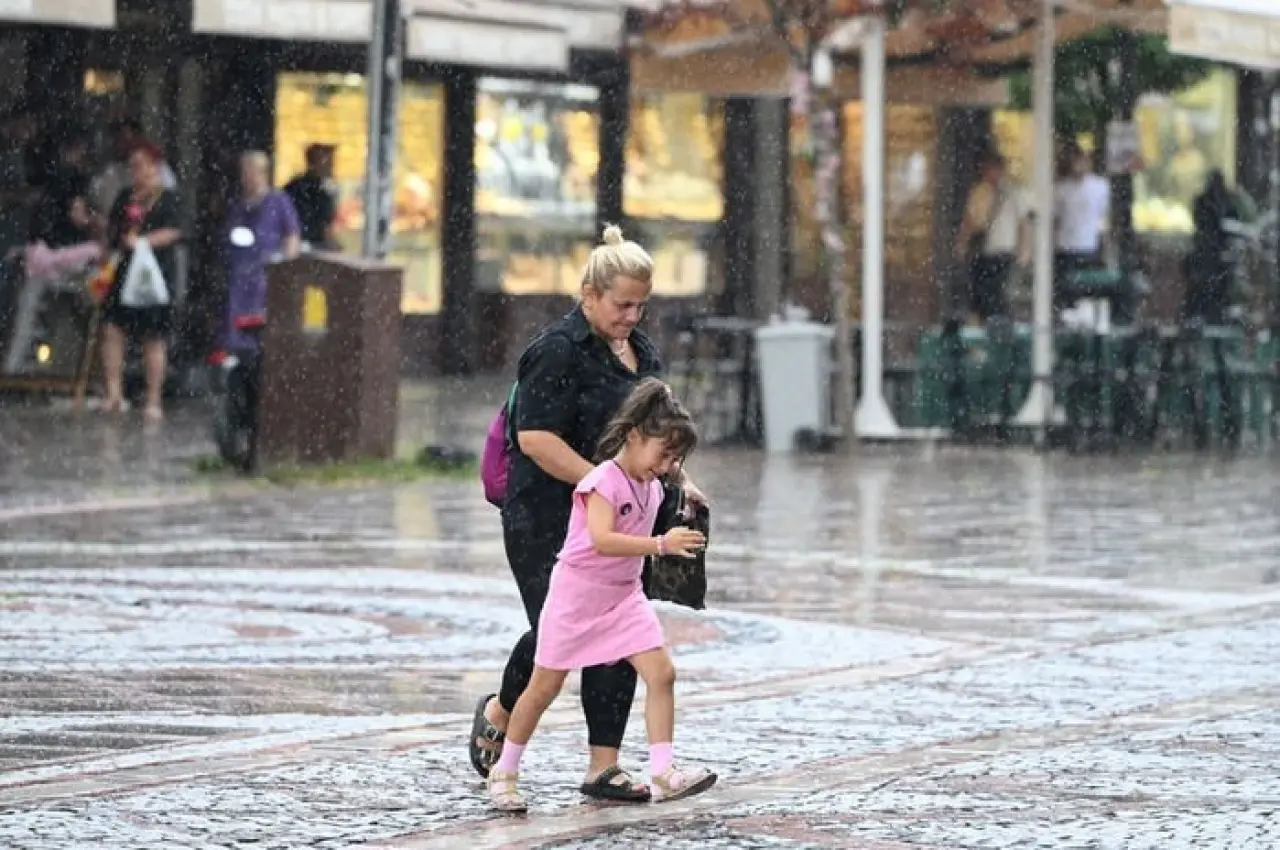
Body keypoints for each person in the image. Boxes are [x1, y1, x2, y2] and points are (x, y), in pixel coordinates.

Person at [469, 224, 709, 802]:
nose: (632, 316)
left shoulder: (642, 353)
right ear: (589, 295)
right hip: (544, 515)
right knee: (555, 632)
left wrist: (682, 481)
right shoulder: (556, 351)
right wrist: (604, 487)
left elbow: (654, 436)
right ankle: (504, 710)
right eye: (622, 304)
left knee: (622, 629)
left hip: (621, 517)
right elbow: (536, 440)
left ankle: (604, 766)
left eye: (640, 306)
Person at [487, 378, 716, 812]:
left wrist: (684, 515)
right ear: (633, 436)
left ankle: (664, 771)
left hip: (624, 597)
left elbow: (642, 530)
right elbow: (602, 539)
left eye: (675, 458)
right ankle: (505, 772)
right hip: (576, 597)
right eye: (663, 453)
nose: (668, 466)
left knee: (662, 673)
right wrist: (661, 545)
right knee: (542, 689)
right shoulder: (601, 481)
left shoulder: (651, 486)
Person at [99, 141, 183, 420]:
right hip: (123, 271)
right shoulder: (125, 196)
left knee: (153, 337)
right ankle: (114, 394)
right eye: (132, 166)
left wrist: (144, 242)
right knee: (113, 330)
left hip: (153, 274)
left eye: (142, 165)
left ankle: (153, 399)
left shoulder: (168, 198)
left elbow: (175, 231)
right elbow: (112, 230)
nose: (137, 171)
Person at [222, 151, 301, 350]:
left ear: (262, 172)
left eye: (250, 171)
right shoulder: (239, 205)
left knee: (265, 326)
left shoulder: (278, 201)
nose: (246, 177)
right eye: (243, 171)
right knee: (237, 325)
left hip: (267, 276)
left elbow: (291, 234)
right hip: (241, 275)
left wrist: (287, 268)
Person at [953, 151, 1031, 322]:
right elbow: (969, 220)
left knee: (999, 294)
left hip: (1004, 250)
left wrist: (1024, 249)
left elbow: (1023, 223)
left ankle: (1000, 327)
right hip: (983, 250)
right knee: (981, 294)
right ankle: (986, 325)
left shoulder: (1013, 193)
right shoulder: (980, 192)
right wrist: (962, 243)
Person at [1183, 169, 1243, 324]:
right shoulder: (1206, 201)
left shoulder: (1224, 201)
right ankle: (1202, 316)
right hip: (1208, 253)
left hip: (1216, 254)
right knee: (1204, 291)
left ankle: (1210, 316)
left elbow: (1230, 223)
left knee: (1214, 291)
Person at [1053, 142, 1111, 298]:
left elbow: (1103, 215)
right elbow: (1056, 217)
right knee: (1066, 285)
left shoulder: (1100, 186)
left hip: (1089, 244)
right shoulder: (1061, 188)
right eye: (1076, 161)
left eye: (1084, 161)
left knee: (1088, 284)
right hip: (1066, 245)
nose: (1080, 165)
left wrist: (1103, 239)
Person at [283, 144, 339, 250]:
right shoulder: (318, 191)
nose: (331, 166)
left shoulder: (294, 186)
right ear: (313, 163)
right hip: (308, 247)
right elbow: (325, 228)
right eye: (327, 162)